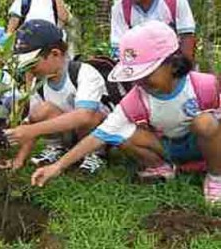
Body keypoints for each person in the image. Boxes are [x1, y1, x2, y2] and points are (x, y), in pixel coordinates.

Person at [31, 21, 221, 204]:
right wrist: (57, 166)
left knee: (205, 122)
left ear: (173, 64)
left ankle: (215, 176)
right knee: (118, 133)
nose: (141, 82)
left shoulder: (203, 86)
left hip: (203, 145)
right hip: (168, 147)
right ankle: (160, 167)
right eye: (137, 77)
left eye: (147, 74)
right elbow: (99, 135)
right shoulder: (137, 98)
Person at [0, 20, 109, 173]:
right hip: (70, 133)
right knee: (41, 110)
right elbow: (33, 121)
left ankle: (94, 154)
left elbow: (84, 116)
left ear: (55, 54)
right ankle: (57, 147)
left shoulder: (84, 73)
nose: (29, 70)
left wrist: (32, 130)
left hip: (97, 135)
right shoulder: (39, 82)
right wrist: (19, 160)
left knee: (91, 115)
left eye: (32, 64)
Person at [110, 0, 196, 62]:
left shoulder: (174, 2)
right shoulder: (120, 7)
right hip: (139, 64)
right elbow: (119, 47)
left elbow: (187, 36)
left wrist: (185, 70)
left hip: (171, 62)